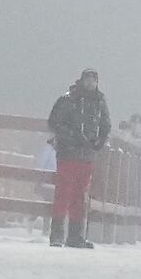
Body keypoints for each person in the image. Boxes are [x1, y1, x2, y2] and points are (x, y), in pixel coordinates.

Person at [47, 68, 111, 247]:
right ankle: (57, 234)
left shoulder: (99, 101)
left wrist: (99, 141)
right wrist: (73, 138)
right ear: (82, 80)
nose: (90, 83)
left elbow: (105, 124)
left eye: (93, 80)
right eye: (88, 79)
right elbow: (55, 122)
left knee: (80, 195)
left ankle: (75, 235)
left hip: (87, 155)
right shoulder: (69, 99)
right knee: (63, 192)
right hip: (68, 153)